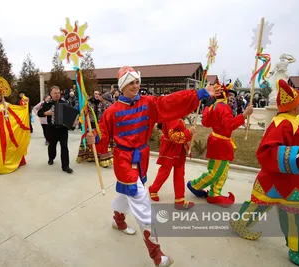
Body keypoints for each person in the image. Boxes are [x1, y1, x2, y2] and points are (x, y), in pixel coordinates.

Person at [85, 66, 219, 267]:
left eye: (137, 82)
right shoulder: (112, 111)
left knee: (126, 193)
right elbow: (102, 136)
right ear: (122, 86)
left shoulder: (149, 103)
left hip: (142, 158)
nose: (136, 85)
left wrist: (199, 94)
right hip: (123, 160)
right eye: (131, 82)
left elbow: (171, 102)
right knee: (142, 201)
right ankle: (157, 255)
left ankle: (118, 221)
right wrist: (92, 139)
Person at [230, 79, 299, 267]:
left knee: (285, 211)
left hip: (297, 177)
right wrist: (297, 150)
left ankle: (298, 250)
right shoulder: (280, 123)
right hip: (280, 178)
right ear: (293, 105)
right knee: (274, 208)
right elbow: (267, 151)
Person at [187, 80, 254, 207]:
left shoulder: (213, 107)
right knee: (216, 171)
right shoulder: (223, 107)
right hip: (221, 142)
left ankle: (215, 193)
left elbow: (206, 123)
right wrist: (244, 115)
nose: (230, 98)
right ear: (225, 95)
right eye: (229, 95)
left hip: (217, 140)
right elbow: (229, 125)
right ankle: (195, 184)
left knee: (222, 170)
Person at [148, 119, 196, 210]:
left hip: (179, 149)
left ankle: (179, 200)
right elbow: (174, 137)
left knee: (179, 174)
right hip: (171, 148)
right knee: (165, 172)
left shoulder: (176, 115)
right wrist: (189, 132)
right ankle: (153, 189)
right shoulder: (173, 117)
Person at [38, 86, 73, 174]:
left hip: (63, 130)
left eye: (58, 93)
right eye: (55, 93)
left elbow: (70, 114)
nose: (57, 95)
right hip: (52, 129)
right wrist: (46, 113)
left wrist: (73, 122)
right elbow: (39, 113)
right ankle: (51, 158)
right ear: (51, 94)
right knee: (52, 146)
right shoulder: (47, 104)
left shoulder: (65, 103)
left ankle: (65, 166)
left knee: (64, 147)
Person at [76, 91, 114, 168]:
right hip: (92, 123)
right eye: (95, 94)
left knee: (102, 140)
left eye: (98, 94)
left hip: (103, 125)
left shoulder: (104, 104)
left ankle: (104, 158)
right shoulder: (90, 103)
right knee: (91, 139)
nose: (97, 95)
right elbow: (84, 113)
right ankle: (91, 156)